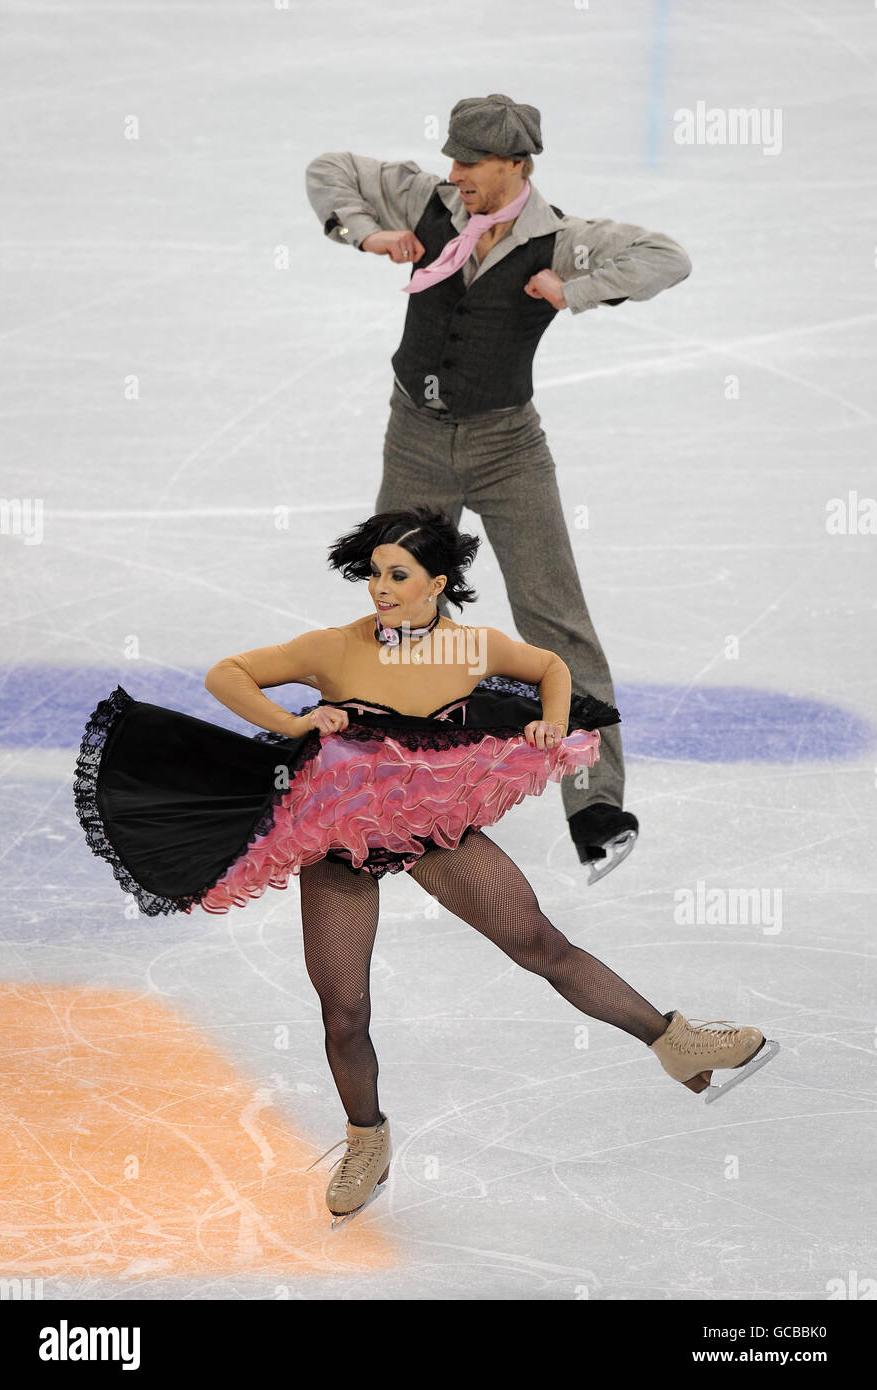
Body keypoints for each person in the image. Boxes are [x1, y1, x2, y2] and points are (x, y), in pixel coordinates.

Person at [73, 508, 778, 1227]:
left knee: (540, 944)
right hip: (339, 840)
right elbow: (228, 674)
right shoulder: (336, 648)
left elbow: (550, 667)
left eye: (397, 575)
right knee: (345, 1012)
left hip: (432, 829)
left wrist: (551, 721)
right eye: (374, 573)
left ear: (436, 584)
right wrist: (293, 725)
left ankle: (674, 1041)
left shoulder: (472, 648)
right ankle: (366, 1138)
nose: (379, 586)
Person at [305, 93, 693, 883]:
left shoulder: (563, 239)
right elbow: (329, 169)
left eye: (472, 163)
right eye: (452, 159)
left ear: (516, 165)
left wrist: (571, 289)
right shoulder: (426, 200)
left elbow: (667, 257)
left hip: (508, 447)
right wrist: (367, 232)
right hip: (415, 436)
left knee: (555, 618)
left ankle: (597, 808)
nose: (457, 175)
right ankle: (410, 797)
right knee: (403, 616)